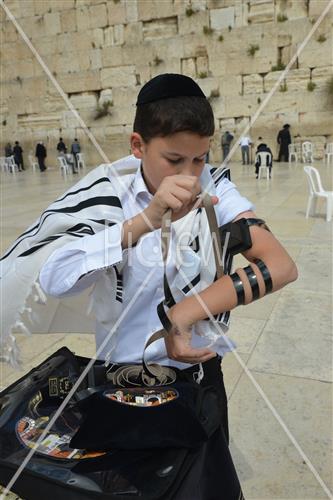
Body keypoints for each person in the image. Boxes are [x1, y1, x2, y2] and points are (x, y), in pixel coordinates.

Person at [2, 74, 297, 499]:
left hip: (195, 380)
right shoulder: (105, 192)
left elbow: (281, 265)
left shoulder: (216, 186)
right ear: (137, 145)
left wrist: (183, 316)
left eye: (199, 159)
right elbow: (54, 277)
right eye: (174, 159)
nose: (190, 175)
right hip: (120, 386)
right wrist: (144, 221)